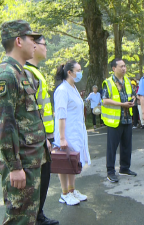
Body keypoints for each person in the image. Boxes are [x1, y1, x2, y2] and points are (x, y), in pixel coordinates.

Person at [0, 20, 49, 224]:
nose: (35, 44)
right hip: (22, 163)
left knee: (28, 219)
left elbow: (27, 116)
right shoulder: (6, 75)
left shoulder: (22, 72)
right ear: (18, 41)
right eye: (31, 39)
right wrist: (14, 166)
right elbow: (5, 126)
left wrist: (44, 142)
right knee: (18, 220)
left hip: (32, 159)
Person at [24, 35, 59, 225]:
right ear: (35, 46)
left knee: (44, 179)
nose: (47, 48)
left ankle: (39, 215)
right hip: (38, 139)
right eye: (45, 44)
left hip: (45, 138)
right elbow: (30, 111)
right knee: (37, 180)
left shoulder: (36, 73)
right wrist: (43, 137)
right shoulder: (27, 73)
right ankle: (34, 217)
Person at [53, 60, 91, 205]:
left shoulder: (73, 88)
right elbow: (61, 114)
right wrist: (62, 138)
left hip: (76, 131)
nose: (80, 73)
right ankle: (64, 193)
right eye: (78, 70)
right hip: (66, 132)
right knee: (63, 162)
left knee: (73, 161)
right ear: (70, 72)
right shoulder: (62, 90)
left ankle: (72, 190)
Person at [101, 59, 137, 182]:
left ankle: (125, 168)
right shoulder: (108, 82)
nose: (124, 68)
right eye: (121, 66)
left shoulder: (127, 81)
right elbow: (105, 100)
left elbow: (133, 94)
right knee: (112, 147)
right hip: (114, 120)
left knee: (127, 145)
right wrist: (122, 104)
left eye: (125, 66)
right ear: (113, 68)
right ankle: (110, 172)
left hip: (127, 119)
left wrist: (133, 100)